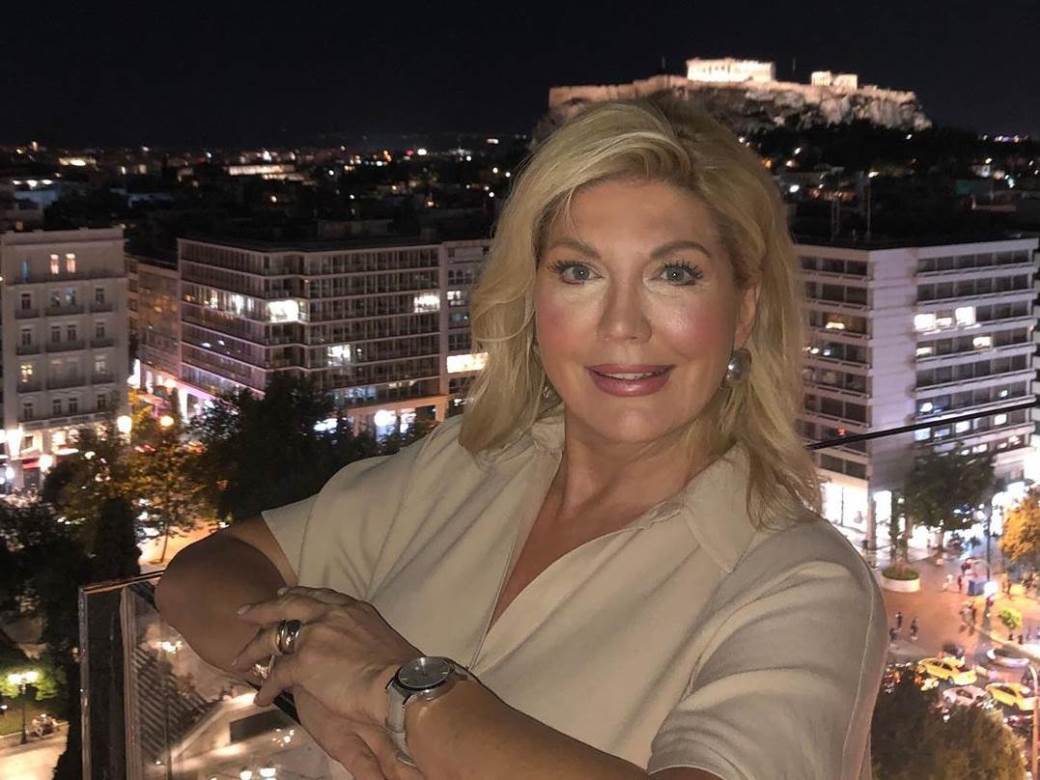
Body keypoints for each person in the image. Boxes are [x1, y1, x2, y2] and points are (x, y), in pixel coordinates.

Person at [157, 96, 886, 779]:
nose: (622, 325)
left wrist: (397, 690)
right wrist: (307, 671)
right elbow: (199, 577)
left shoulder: (800, 583)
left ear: (745, 309)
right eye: (579, 272)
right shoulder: (464, 464)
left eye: (674, 273)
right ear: (532, 299)